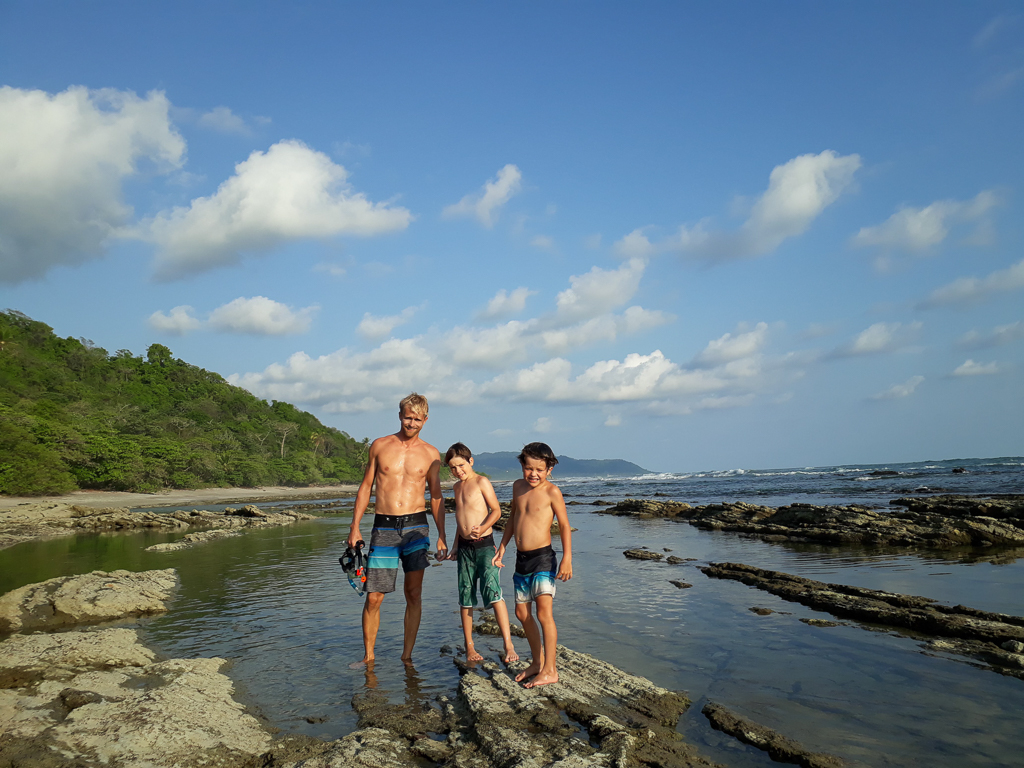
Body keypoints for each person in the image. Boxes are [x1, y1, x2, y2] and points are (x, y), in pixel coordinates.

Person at [348, 393, 447, 665]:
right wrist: (354, 527)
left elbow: (435, 496)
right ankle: (368, 657)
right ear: (399, 415)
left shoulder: (431, 454)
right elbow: (366, 487)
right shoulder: (380, 446)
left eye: (417, 418)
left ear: (425, 420)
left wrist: (442, 537)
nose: (411, 423)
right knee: (374, 597)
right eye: (407, 416)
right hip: (385, 527)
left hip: (417, 528)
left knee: (413, 593)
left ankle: (407, 657)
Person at [492, 442, 572, 688]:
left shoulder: (552, 492)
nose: (533, 474)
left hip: (543, 558)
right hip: (522, 559)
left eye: (539, 469)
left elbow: (565, 525)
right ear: (522, 466)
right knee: (521, 613)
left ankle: (551, 669)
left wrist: (567, 558)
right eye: (528, 468)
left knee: (543, 612)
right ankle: (537, 662)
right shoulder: (517, 487)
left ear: (549, 469)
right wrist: (502, 547)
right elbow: (513, 519)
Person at [444, 442, 519, 665]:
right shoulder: (457, 488)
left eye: (460, 465)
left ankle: (509, 645)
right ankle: (470, 647)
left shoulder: (481, 481)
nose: (458, 471)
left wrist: (483, 527)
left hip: (485, 546)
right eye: (453, 468)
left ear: (470, 461)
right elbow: (460, 519)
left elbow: (496, 510)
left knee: (493, 592)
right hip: (465, 549)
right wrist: (455, 545)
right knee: (465, 598)